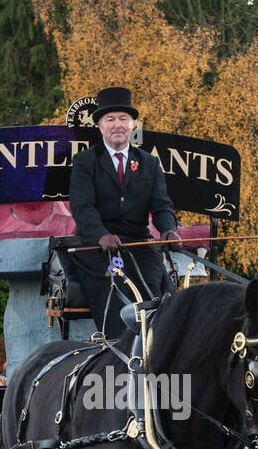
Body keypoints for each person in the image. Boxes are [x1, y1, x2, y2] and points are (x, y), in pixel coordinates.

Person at [67, 86, 181, 339]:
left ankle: (158, 346)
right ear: (100, 126)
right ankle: (122, 347)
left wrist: (169, 229)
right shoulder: (85, 162)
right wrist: (101, 235)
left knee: (159, 292)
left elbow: (161, 205)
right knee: (116, 287)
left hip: (139, 245)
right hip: (98, 249)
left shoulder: (149, 163)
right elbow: (82, 207)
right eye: (110, 119)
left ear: (132, 124)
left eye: (123, 119)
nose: (117, 125)